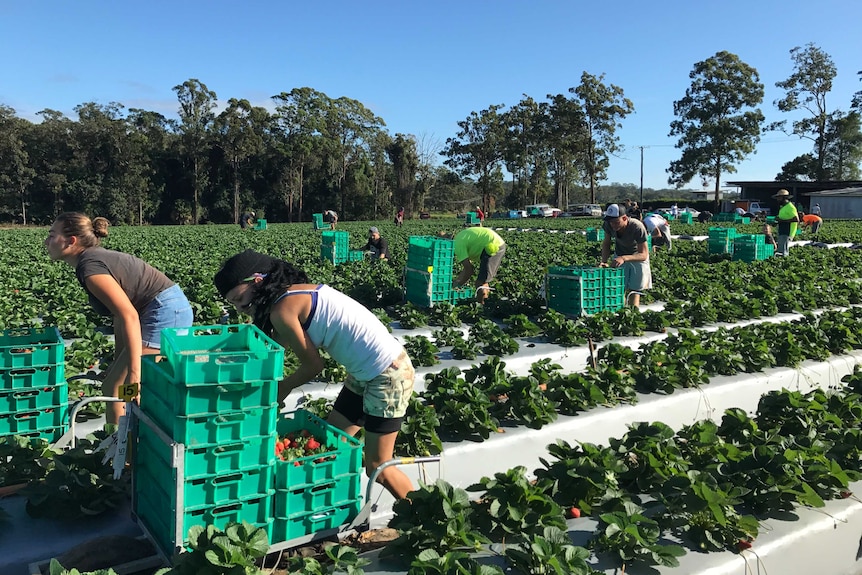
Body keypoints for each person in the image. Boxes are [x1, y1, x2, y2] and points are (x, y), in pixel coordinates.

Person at [213, 250, 415, 500]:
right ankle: (321, 502)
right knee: (329, 442)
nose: (240, 308)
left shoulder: (282, 310)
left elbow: (313, 366)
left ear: (256, 282)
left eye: (239, 299)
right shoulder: (291, 296)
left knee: (378, 466)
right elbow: (271, 350)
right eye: (233, 304)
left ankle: (424, 520)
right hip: (366, 372)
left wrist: (282, 388)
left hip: (388, 374)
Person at [45, 213, 194, 424]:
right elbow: (119, 316)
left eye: (52, 235)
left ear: (71, 241)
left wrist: (133, 372)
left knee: (118, 386)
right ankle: (125, 444)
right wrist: (118, 362)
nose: (46, 241)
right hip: (159, 309)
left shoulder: (90, 267)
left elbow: (129, 315)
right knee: (117, 383)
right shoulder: (90, 261)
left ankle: (122, 450)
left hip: (165, 311)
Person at [600, 204, 651, 307]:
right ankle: (621, 314)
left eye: (616, 222)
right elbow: (606, 243)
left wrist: (624, 258)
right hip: (619, 254)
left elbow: (644, 254)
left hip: (637, 257)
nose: (613, 225)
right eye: (611, 222)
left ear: (624, 218)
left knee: (635, 290)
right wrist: (604, 261)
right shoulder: (608, 225)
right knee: (618, 288)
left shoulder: (637, 226)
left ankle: (633, 313)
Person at [451, 227, 506, 304]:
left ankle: (482, 307)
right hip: (494, 242)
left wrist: (458, 285)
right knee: (484, 280)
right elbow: (467, 268)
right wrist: (457, 281)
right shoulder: (459, 238)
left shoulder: (457, 245)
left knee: (480, 283)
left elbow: (469, 270)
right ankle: (486, 302)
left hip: (493, 245)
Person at [773, 189, 799, 256]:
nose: (777, 199)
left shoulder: (790, 207)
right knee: (781, 249)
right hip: (782, 230)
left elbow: (796, 219)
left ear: (784, 198)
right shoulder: (783, 207)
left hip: (787, 231)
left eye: (779, 198)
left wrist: (782, 221)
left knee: (783, 251)